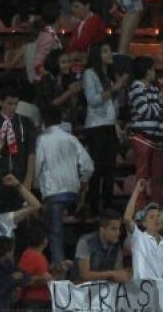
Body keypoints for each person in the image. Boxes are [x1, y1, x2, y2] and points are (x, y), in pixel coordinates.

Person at [34, 105, 94, 269]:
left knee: (55, 233)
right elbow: (88, 166)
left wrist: (35, 188)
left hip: (53, 193)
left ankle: (58, 265)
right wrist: (82, 186)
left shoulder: (43, 140)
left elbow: (37, 166)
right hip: (73, 193)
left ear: (43, 122)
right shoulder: (71, 138)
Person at [82, 42, 128, 217]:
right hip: (96, 126)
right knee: (98, 168)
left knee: (110, 169)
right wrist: (114, 88)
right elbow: (93, 100)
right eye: (106, 51)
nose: (110, 54)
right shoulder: (89, 74)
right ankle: (94, 205)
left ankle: (108, 204)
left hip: (109, 125)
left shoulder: (108, 74)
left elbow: (113, 104)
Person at [129, 55, 163, 206]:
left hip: (157, 139)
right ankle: (139, 208)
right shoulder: (136, 88)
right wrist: (161, 102)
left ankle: (156, 208)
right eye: (153, 69)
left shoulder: (154, 88)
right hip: (143, 138)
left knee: (157, 177)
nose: (155, 72)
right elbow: (144, 111)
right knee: (142, 177)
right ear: (147, 71)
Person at [124, 178, 163, 281]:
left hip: (160, 291)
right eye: (152, 217)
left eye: (158, 216)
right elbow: (127, 218)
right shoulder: (138, 237)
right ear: (144, 223)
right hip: (141, 291)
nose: (156, 219)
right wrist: (137, 191)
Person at [75, 210, 130, 283]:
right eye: (113, 229)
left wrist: (125, 274)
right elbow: (84, 275)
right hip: (81, 289)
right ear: (102, 229)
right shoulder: (85, 242)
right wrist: (112, 274)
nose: (118, 233)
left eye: (119, 229)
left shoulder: (116, 245)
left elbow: (118, 272)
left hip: (104, 289)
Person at [15, 222, 53, 311]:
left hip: (42, 300)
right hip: (32, 301)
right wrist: (41, 279)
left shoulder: (39, 255)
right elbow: (21, 279)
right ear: (44, 240)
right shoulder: (30, 255)